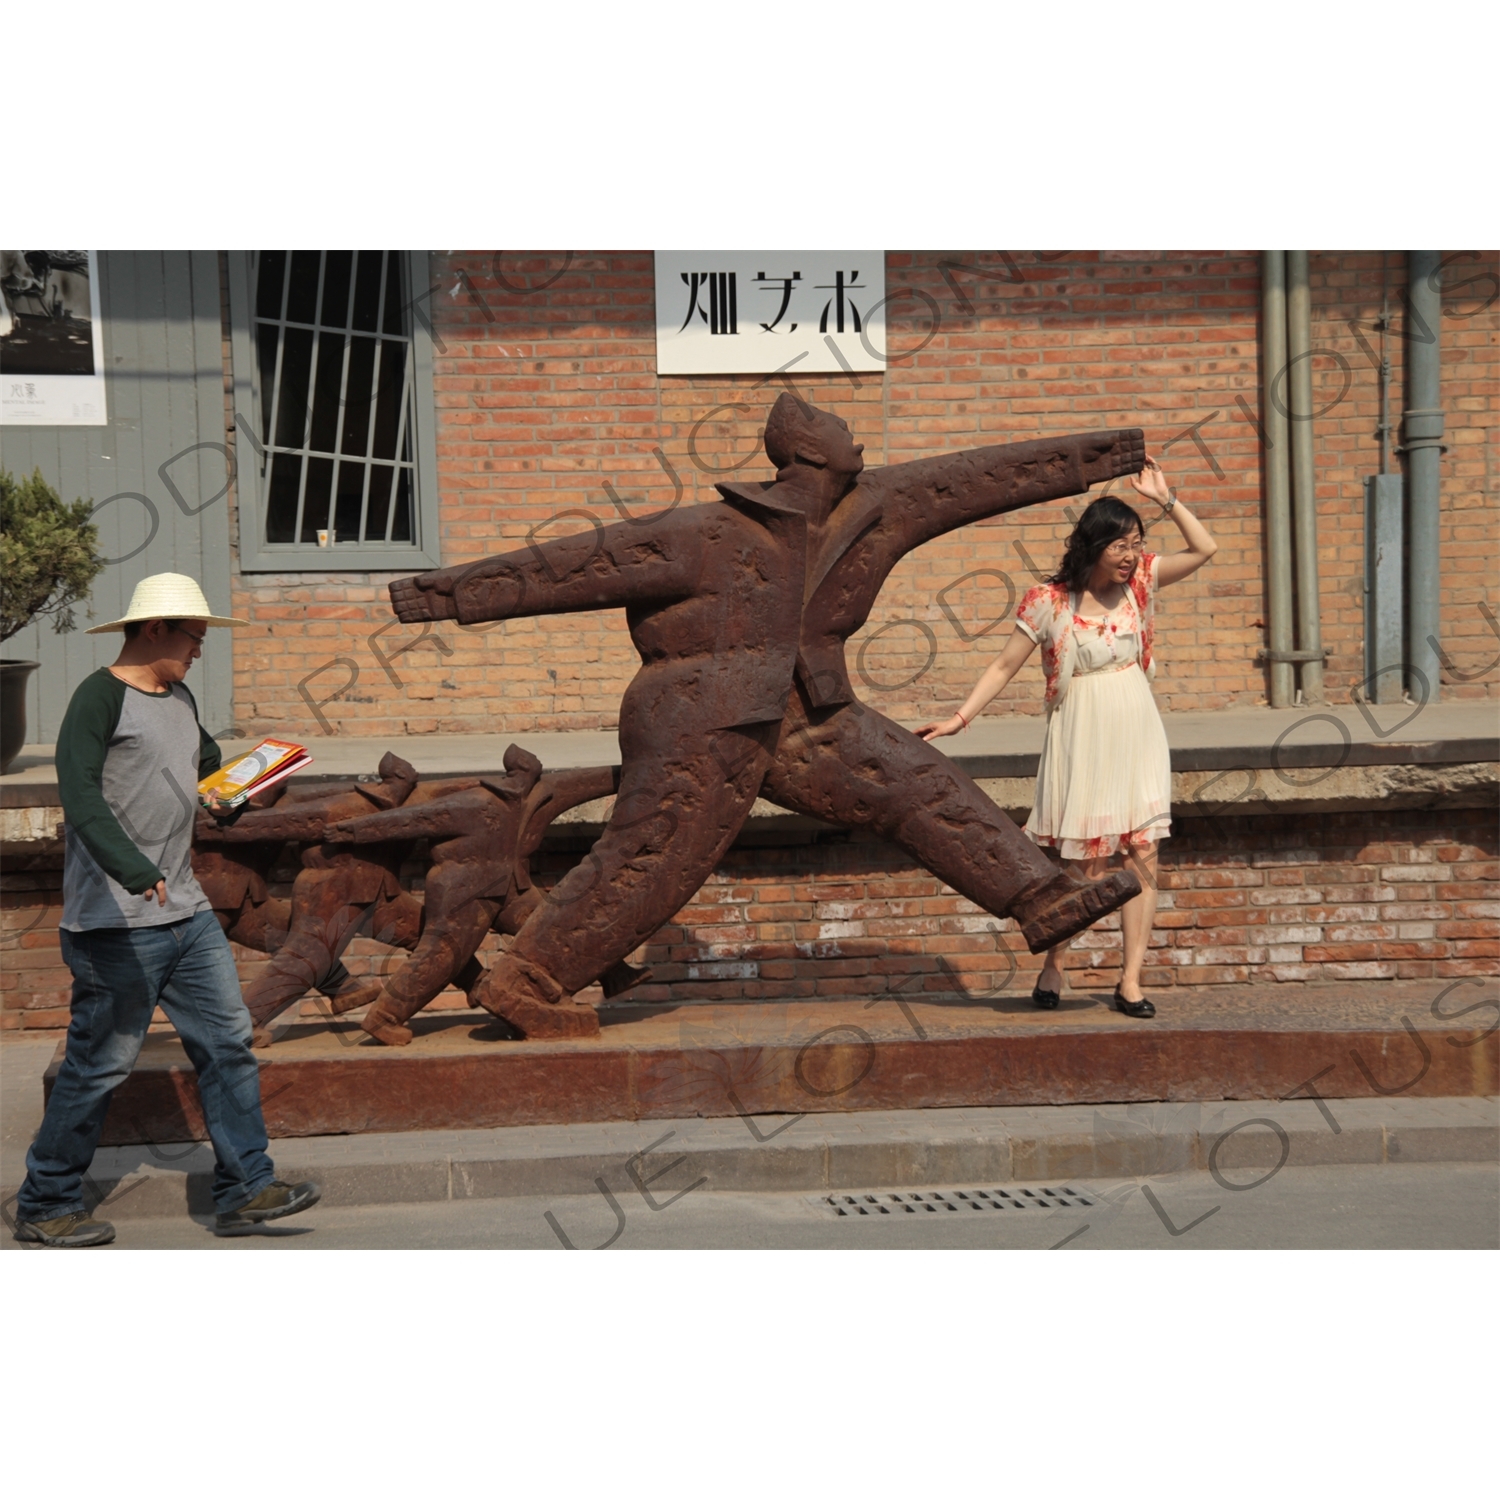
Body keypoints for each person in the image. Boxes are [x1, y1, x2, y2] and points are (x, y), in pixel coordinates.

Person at [13, 573, 320, 1247]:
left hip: (186, 913)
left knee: (228, 1043)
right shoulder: (97, 699)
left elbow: (208, 781)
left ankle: (245, 1190)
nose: (199, 651)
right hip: (113, 926)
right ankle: (45, 1203)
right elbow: (80, 794)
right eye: (193, 638)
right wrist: (131, 867)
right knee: (100, 1065)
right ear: (154, 631)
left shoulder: (179, 699)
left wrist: (247, 784)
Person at [919, 457, 1218, 1018]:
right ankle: (1055, 964)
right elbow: (1005, 667)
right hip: (1083, 730)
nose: (1131, 555)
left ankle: (1130, 981)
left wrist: (1167, 500)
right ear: (1093, 546)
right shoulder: (1047, 601)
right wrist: (960, 719)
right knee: (1086, 867)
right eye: (1120, 545)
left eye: (1137, 543)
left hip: (1135, 725)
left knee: (1143, 854)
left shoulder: (1143, 582)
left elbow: (1205, 550)